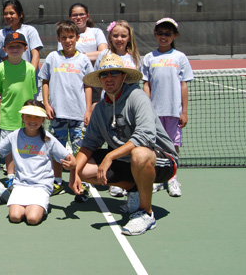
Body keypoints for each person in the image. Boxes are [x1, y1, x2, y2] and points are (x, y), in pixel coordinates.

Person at [71, 54, 179, 236]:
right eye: (104, 75)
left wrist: (110, 156)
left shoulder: (137, 97)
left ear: (123, 76)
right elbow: (89, 143)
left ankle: (145, 212)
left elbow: (145, 136)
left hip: (161, 160)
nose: (109, 78)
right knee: (82, 169)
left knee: (140, 154)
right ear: (100, 80)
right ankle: (133, 189)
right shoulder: (99, 109)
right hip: (127, 161)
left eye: (114, 73)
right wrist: (75, 172)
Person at [0, 100, 76, 225]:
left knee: (32, 218)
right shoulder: (14, 136)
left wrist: (72, 164)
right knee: (15, 216)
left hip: (41, 185)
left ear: (43, 120)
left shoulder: (48, 138)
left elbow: (71, 158)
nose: (32, 120)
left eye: (37, 117)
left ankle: (40, 205)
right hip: (21, 184)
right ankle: (27, 203)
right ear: (22, 118)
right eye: (28, 116)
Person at [38, 20, 92, 196]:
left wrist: (88, 110)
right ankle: (58, 181)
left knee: (79, 151)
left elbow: (89, 86)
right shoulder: (53, 57)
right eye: (64, 37)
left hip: (78, 115)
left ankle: (77, 181)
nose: (68, 40)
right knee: (57, 149)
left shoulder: (83, 60)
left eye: (71, 37)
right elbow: (45, 81)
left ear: (77, 38)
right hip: (57, 114)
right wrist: (46, 104)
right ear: (58, 39)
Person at [142, 18, 193, 197]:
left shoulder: (180, 57)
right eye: (160, 33)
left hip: (173, 112)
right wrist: (146, 108)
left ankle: (172, 178)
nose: (164, 36)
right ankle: (157, 177)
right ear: (155, 34)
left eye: (168, 33)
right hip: (155, 113)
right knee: (155, 147)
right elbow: (146, 85)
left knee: (172, 146)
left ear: (175, 35)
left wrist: (184, 111)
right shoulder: (149, 58)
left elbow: (183, 85)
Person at [94, 20, 141, 198]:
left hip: (130, 107)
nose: (119, 39)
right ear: (110, 37)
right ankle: (115, 182)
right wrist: (95, 104)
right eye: (115, 35)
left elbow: (138, 83)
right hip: (109, 106)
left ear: (129, 37)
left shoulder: (134, 57)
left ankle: (133, 178)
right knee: (112, 138)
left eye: (123, 35)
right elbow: (99, 81)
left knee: (130, 140)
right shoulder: (104, 55)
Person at [0, 32, 37, 188]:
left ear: (25, 48)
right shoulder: (0, 68)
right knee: (9, 150)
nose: (15, 49)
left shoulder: (30, 68)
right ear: (5, 49)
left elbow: (32, 91)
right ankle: (11, 176)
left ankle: (27, 175)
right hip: (8, 117)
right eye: (11, 47)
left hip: (27, 118)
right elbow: (0, 92)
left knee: (27, 148)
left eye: (18, 46)